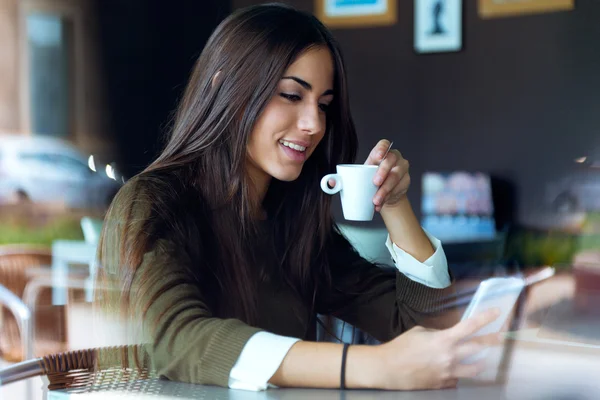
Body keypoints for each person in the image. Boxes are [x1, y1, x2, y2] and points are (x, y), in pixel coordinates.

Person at [95, 3, 500, 392]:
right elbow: (177, 341)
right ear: (223, 86)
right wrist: (375, 366)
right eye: (291, 95)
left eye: (323, 105)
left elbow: (425, 325)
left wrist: (395, 205)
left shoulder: (292, 224)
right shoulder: (150, 203)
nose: (313, 124)